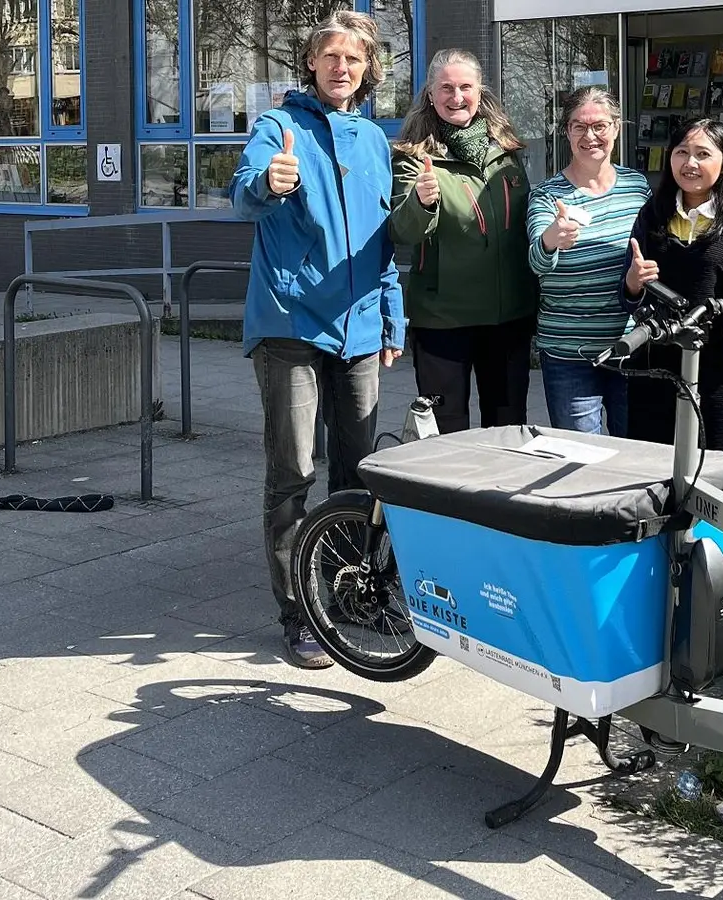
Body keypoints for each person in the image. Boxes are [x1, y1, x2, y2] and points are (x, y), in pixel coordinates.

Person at [229, 10, 405, 669]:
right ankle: (299, 614)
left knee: (358, 473)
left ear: (367, 69)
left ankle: (349, 589)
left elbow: (383, 243)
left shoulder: (373, 139)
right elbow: (242, 196)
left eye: (352, 59)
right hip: (291, 326)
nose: (340, 67)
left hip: (358, 326)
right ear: (312, 61)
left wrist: (393, 316)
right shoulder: (280, 126)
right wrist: (267, 184)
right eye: (330, 55)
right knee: (293, 473)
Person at [622, 118, 723, 496]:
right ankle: (665, 556)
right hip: (657, 368)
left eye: (703, 154)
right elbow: (628, 294)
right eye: (681, 152)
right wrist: (632, 281)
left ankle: (713, 556)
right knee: (653, 478)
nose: (690, 163)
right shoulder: (652, 214)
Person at [390, 49, 537, 434]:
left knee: (508, 432)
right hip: (444, 321)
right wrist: (421, 201)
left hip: (507, 318)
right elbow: (402, 231)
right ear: (430, 94)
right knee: (447, 435)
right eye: (446, 88)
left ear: (479, 90)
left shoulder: (507, 152)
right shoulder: (413, 157)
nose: (457, 97)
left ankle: (501, 496)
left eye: (465, 87)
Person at [525, 86, 650, 435]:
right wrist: (552, 239)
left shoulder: (637, 187)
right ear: (566, 132)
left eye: (599, 126)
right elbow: (536, 262)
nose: (590, 136)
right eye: (579, 126)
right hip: (569, 353)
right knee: (580, 460)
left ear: (616, 129)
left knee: (637, 454)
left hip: (631, 346)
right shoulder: (548, 195)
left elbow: (654, 249)